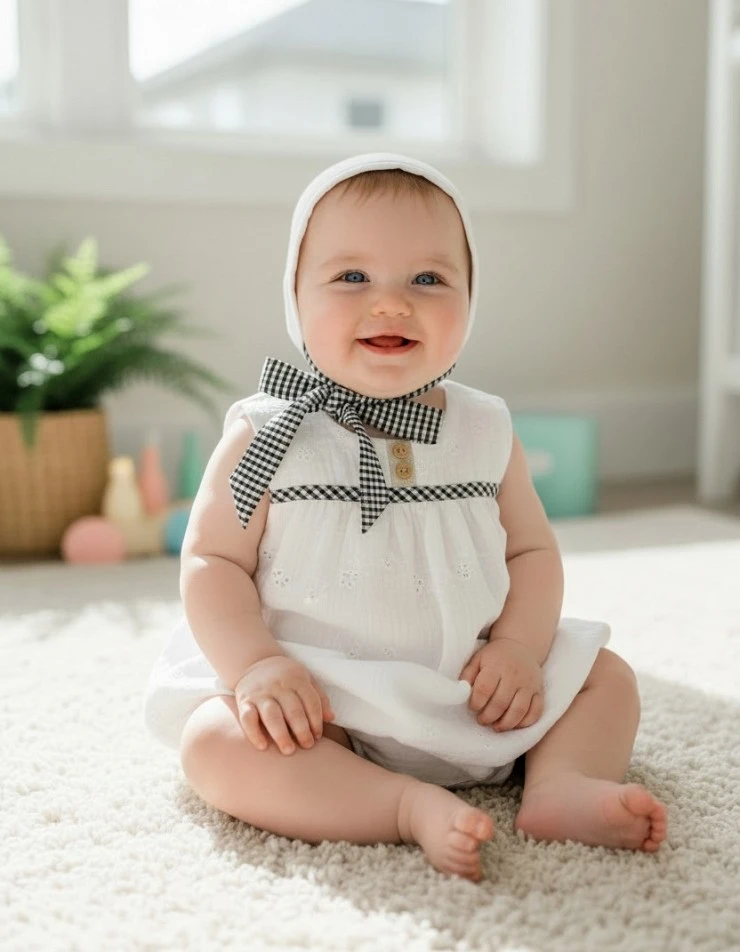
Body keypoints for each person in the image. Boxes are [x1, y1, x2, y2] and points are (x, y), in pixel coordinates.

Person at [143, 153, 668, 882]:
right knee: (214, 743)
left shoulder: (483, 427)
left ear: (469, 299)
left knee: (605, 676)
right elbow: (213, 561)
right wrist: (257, 666)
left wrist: (518, 647)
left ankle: (560, 786)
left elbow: (532, 554)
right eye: (351, 277)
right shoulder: (270, 434)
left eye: (428, 279)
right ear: (295, 298)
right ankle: (396, 806)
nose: (391, 303)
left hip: (474, 689)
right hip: (322, 706)